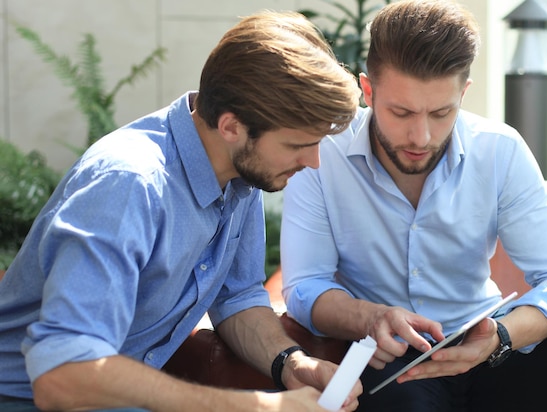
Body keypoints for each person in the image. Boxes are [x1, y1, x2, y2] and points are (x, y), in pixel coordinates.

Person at [0, 10, 363, 412]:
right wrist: (255, 406)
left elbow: (237, 297)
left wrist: (290, 363)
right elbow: (62, 375)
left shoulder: (242, 171)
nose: (313, 162)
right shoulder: (128, 185)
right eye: (297, 144)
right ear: (231, 127)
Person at [280, 1, 547, 411]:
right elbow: (305, 286)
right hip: (392, 361)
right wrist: (369, 317)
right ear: (367, 91)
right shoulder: (323, 155)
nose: (421, 136)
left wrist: (501, 334)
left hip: (491, 346)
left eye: (442, 112)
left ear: (463, 93)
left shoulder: (500, 150)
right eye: (401, 112)